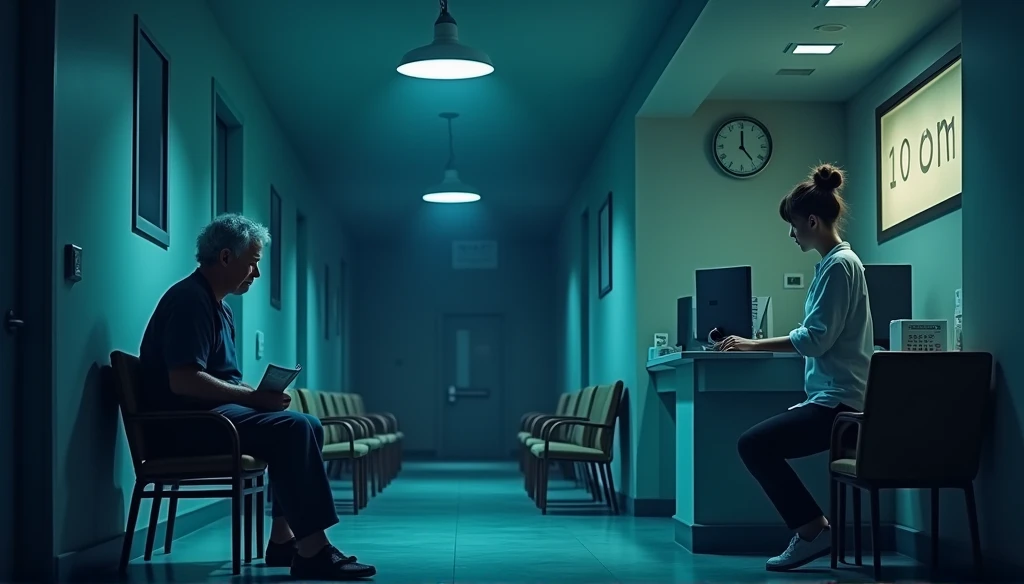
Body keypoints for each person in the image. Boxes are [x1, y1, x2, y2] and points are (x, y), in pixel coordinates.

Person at [138, 214, 376, 580]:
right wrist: (253, 401)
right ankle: (313, 551)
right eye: (253, 263)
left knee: (306, 424)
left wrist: (257, 395)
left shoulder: (220, 308)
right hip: (185, 427)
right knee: (295, 429)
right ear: (225, 258)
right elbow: (183, 381)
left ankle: (284, 541)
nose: (257, 274)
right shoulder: (190, 301)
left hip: (213, 418)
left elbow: (217, 378)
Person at [716, 164, 873, 572]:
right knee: (757, 445)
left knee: (753, 446)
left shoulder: (840, 266)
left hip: (839, 406)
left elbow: (816, 338)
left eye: (794, 226)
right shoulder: (834, 265)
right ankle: (813, 529)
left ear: (813, 221)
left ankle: (813, 531)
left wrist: (752, 344)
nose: (792, 234)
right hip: (833, 399)